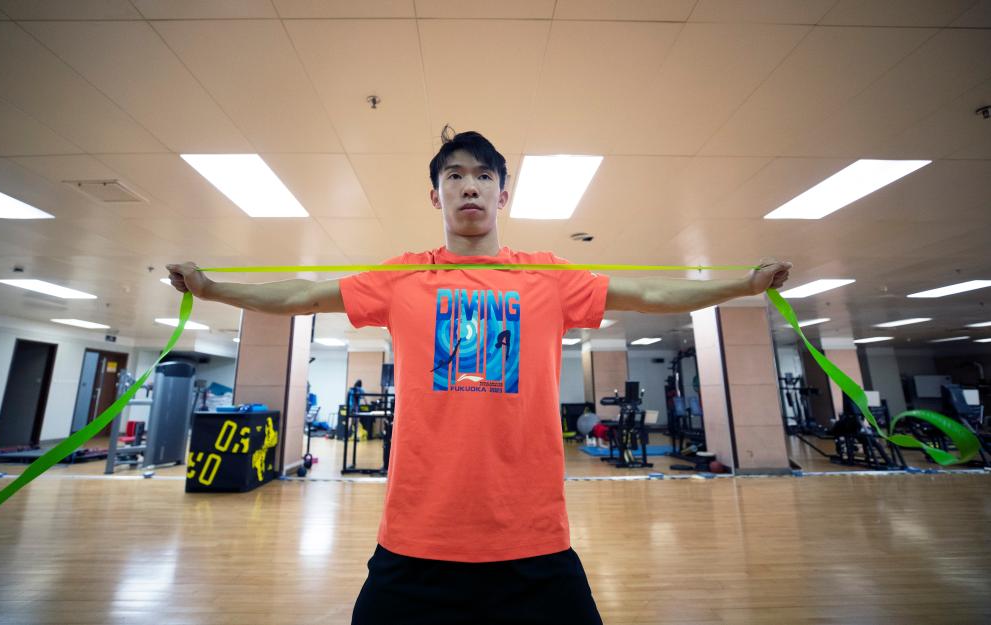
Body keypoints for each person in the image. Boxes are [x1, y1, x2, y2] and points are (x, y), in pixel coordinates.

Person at [167, 128, 791, 625]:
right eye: (455, 176)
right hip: (417, 540)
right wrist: (213, 289)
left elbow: (650, 293)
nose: (470, 186)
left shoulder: (548, 277)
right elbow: (301, 294)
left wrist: (743, 284)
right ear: (435, 195)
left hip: (533, 543)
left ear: (503, 195)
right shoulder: (402, 278)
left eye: (484, 176)